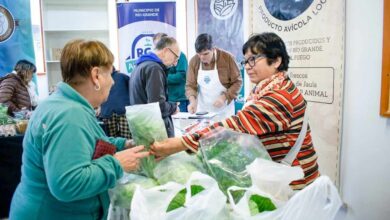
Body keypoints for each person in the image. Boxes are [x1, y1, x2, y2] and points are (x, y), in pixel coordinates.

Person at [151, 32, 320, 190]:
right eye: (246, 61)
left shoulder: (279, 96)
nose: (247, 66)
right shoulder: (268, 88)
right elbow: (191, 85)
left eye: (253, 59)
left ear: (276, 60)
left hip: (294, 184)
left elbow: (235, 125)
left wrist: (178, 144)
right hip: (279, 176)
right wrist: (193, 100)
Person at [9, 40, 149, 219]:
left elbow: (87, 143)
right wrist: (117, 163)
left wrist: (124, 145)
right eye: (110, 73)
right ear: (96, 75)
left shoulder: (66, 104)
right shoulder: (69, 114)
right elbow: (67, 184)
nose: (113, 82)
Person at [129, 36, 180, 138]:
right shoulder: (154, 68)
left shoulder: (140, 66)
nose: (175, 63)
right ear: (166, 51)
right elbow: (158, 107)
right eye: (176, 57)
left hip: (143, 128)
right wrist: (174, 107)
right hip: (155, 131)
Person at [186, 33, 242, 119]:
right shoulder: (194, 61)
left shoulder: (227, 58)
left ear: (213, 49)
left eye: (205, 54)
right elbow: (190, 85)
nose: (202, 58)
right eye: (199, 54)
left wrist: (224, 97)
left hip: (224, 110)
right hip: (203, 110)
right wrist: (192, 101)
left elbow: (237, 82)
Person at [153, 33, 189, 112]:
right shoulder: (153, 65)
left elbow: (182, 75)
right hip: (166, 99)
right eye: (156, 46)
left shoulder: (179, 56)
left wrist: (163, 78)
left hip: (179, 98)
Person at [98, 67, 131, 139]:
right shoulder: (122, 76)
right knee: (126, 138)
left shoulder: (121, 76)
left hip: (111, 111)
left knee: (112, 139)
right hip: (117, 111)